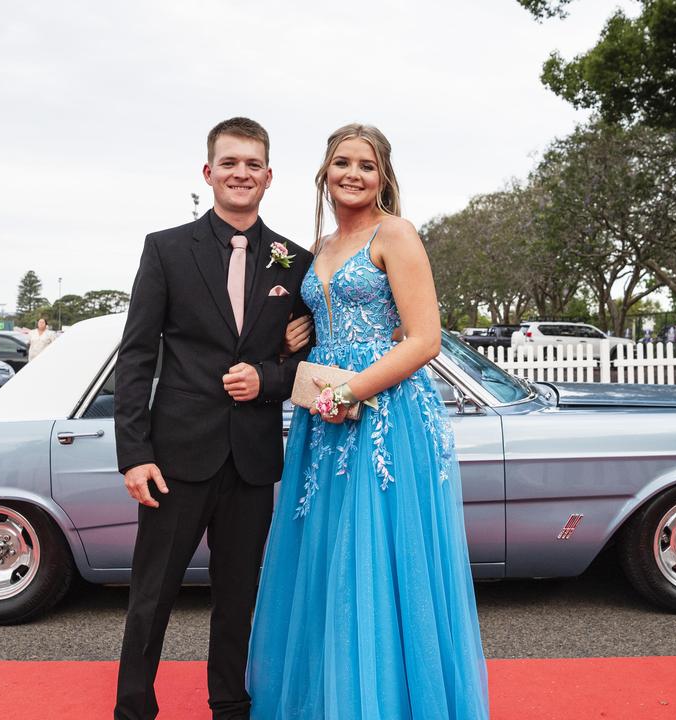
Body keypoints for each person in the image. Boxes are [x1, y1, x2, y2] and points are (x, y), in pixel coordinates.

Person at [247, 124, 490, 719]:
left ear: (384, 176)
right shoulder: (321, 247)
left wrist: (352, 390)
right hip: (323, 418)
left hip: (385, 418)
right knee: (327, 555)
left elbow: (425, 338)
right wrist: (292, 341)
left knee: (381, 554)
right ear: (324, 173)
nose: (353, 174)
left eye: (367, 165)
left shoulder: (396, 233)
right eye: (341, 162)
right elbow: (316, 321)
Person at [113, 117, 314, 720]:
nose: (241, 174)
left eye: (253, 164)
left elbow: (306, 362)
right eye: (229, 163)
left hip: (251, 459)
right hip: (176, 457)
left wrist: (268, 379)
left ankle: (230, 704)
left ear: (269, 176)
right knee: (153, 593)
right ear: (209, 173)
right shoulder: (166, 249)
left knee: (238, 596)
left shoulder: (294, 262)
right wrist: (135, 453)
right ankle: (133, 708)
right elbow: (138, 354)